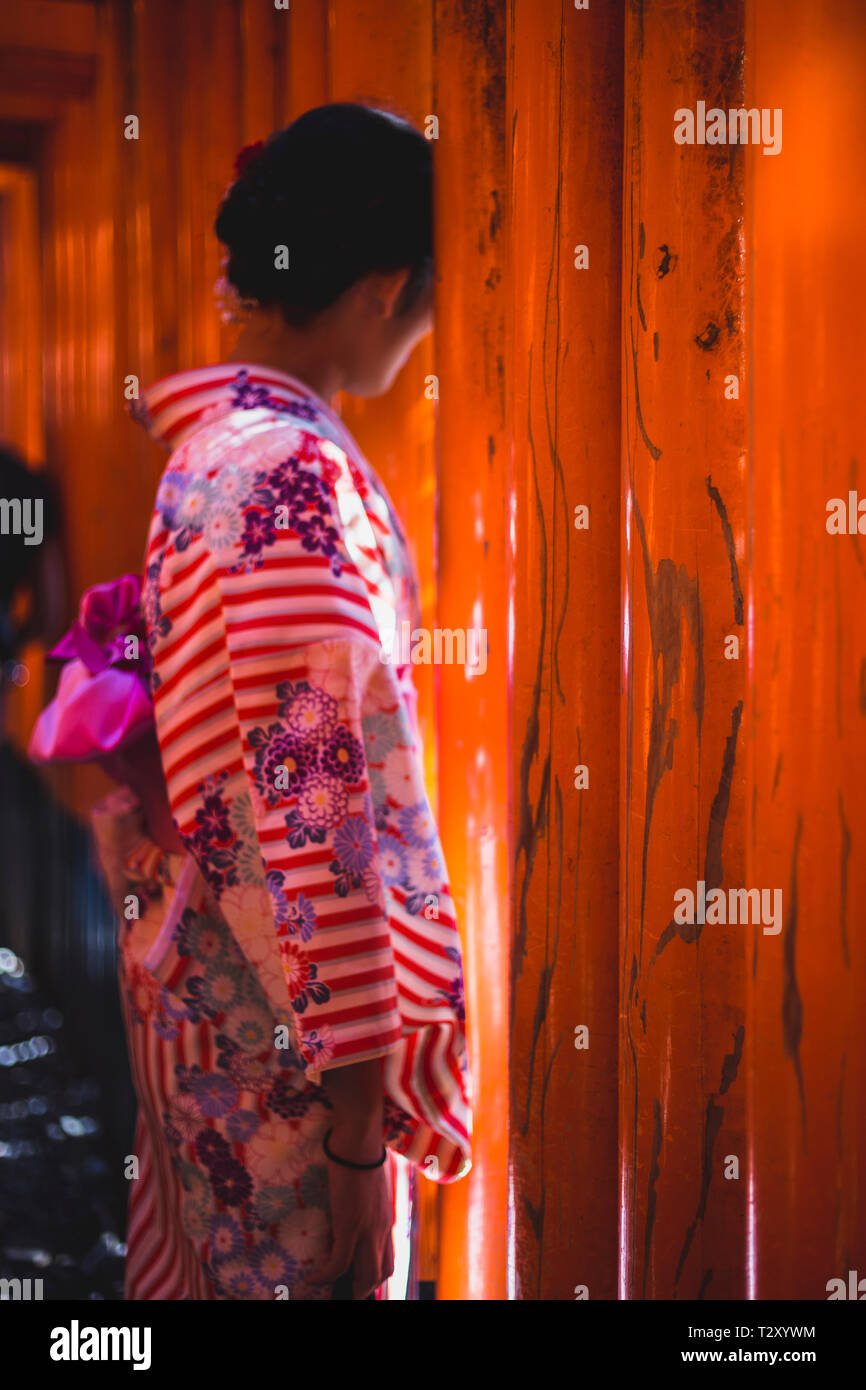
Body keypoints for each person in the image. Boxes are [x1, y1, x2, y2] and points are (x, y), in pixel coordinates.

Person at [35, 103, 471, 1302]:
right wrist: (350, 1136)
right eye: (437, 285)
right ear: (385, 287)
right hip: (278, 1046)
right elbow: (316, 810)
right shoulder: (293, 476)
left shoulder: (216, 448)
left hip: (213, 998)